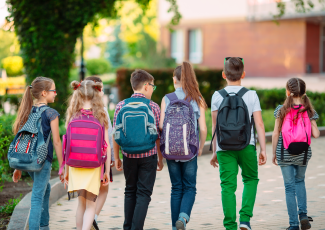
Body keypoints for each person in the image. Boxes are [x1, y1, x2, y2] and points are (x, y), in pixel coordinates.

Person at [210, 57, 267, 230]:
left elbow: (215, 126)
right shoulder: (251, 95)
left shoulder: (217, 96)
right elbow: (259, 124)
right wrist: (263, 149)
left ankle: (230, 226)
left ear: (223, 75)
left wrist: (214, 152)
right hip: (247, 145)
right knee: (250, 179)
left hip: (224, 147)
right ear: (243, 74)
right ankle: (245, 219)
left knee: (227, 186)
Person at [113, 69, 163, 230]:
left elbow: (116, 133)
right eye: (153, 87)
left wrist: (117, 157)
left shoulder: (120, 106)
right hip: (148, 156)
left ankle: (127, 227)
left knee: (130, 191)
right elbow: (157, 136)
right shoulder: (153, 107)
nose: (152, 90)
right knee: (143, 194)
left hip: (128, 154)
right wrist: (160, 159)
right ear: (147, 86)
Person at [159, 62, 207, 230]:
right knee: (190, 187)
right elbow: (202, 128)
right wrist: (200, 147)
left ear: (175, 79)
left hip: (171, 150)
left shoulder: (167, 98)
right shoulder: (197, 98)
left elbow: (160, 126)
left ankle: (174, 226)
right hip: (190, 150)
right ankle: (183, 217)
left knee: (176, 188)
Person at [11, 77, 63, 230]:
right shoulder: (51, 114)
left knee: (45, 189)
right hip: (42, 161)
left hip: (28, 160)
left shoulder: (28, 111)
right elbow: (57, 142)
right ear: (45, 93)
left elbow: (23, 139)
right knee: (37, 196)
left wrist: (19, 167)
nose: (56, 93)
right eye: (53, 91)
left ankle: (44, 225)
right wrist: (62, 166)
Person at [271, 78, 320, 230]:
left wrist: (273, 154)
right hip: (303, 154)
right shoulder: (309, 110)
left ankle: (293, 224)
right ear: (304, 92)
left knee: (289, 187)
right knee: (300, 181)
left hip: (284, 153)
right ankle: (303, 215)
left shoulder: (281, 110)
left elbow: (275, 133)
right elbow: (317, 134)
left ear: (287, 92)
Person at [64, 80, 111, 230]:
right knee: (91, 205)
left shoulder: (72, 116)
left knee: (81, 204)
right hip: (94, 166)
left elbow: (67, 145)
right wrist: (107, 172)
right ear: (96, 94)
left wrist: (66, 171)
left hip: (75, 165)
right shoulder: (100, 115)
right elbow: (106, 146)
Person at [85, 76, 115, 230]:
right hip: (100, 158)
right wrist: (113, 160)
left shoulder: (78, 109)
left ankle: (86, 221)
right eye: (101, 88)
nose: (102, 91)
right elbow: (109, 137)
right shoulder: (101, 110)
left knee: (85, 195)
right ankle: (93, 219)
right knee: (104, 189)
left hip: (82, 158)